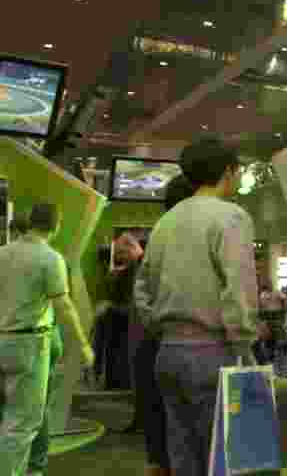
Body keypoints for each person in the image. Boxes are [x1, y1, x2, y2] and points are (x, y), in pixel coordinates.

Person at [135, 138, 262, 476]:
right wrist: (244, 343)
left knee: (184, 456)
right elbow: (240, 287)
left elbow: (142, 290)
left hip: (168, 355)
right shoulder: (231, 217)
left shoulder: (166, 221)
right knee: (228, 458)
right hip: (214, 353)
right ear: (228, 171)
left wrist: (161, 328)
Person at [0, 203, 94, 476]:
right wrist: (83, 345)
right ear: (56, 226)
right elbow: (63, 306)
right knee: (21, 425)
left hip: (3, 340)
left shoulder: (3, 253)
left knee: (10, 419)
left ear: (30, 222)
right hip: (29, 345)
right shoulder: (50, 258)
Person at [123, 174, 196, 476]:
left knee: (160, 442)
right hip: (182, 345)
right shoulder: (190, 237)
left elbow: (141, 294)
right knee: (186, 435)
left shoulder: (157, 237)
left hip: (153, 346)